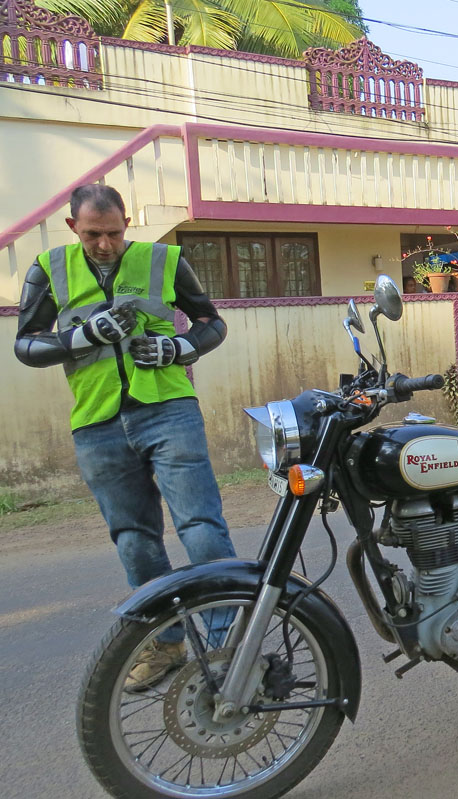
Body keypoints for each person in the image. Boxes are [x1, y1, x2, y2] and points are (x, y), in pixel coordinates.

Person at [13, 184, 236, 690]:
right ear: (73, 228)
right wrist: (84, 335)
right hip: (97, 421)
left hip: (169, 410)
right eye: (93, 234)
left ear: (127, 223)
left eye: (114, 232)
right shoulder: (49, 269)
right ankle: (167, 642)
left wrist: (178, 347)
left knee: (200, 525)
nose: (105, 244)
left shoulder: (162, 259)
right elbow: (26, 344)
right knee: (135, 541)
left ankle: (227, 643)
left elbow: (211, 323)